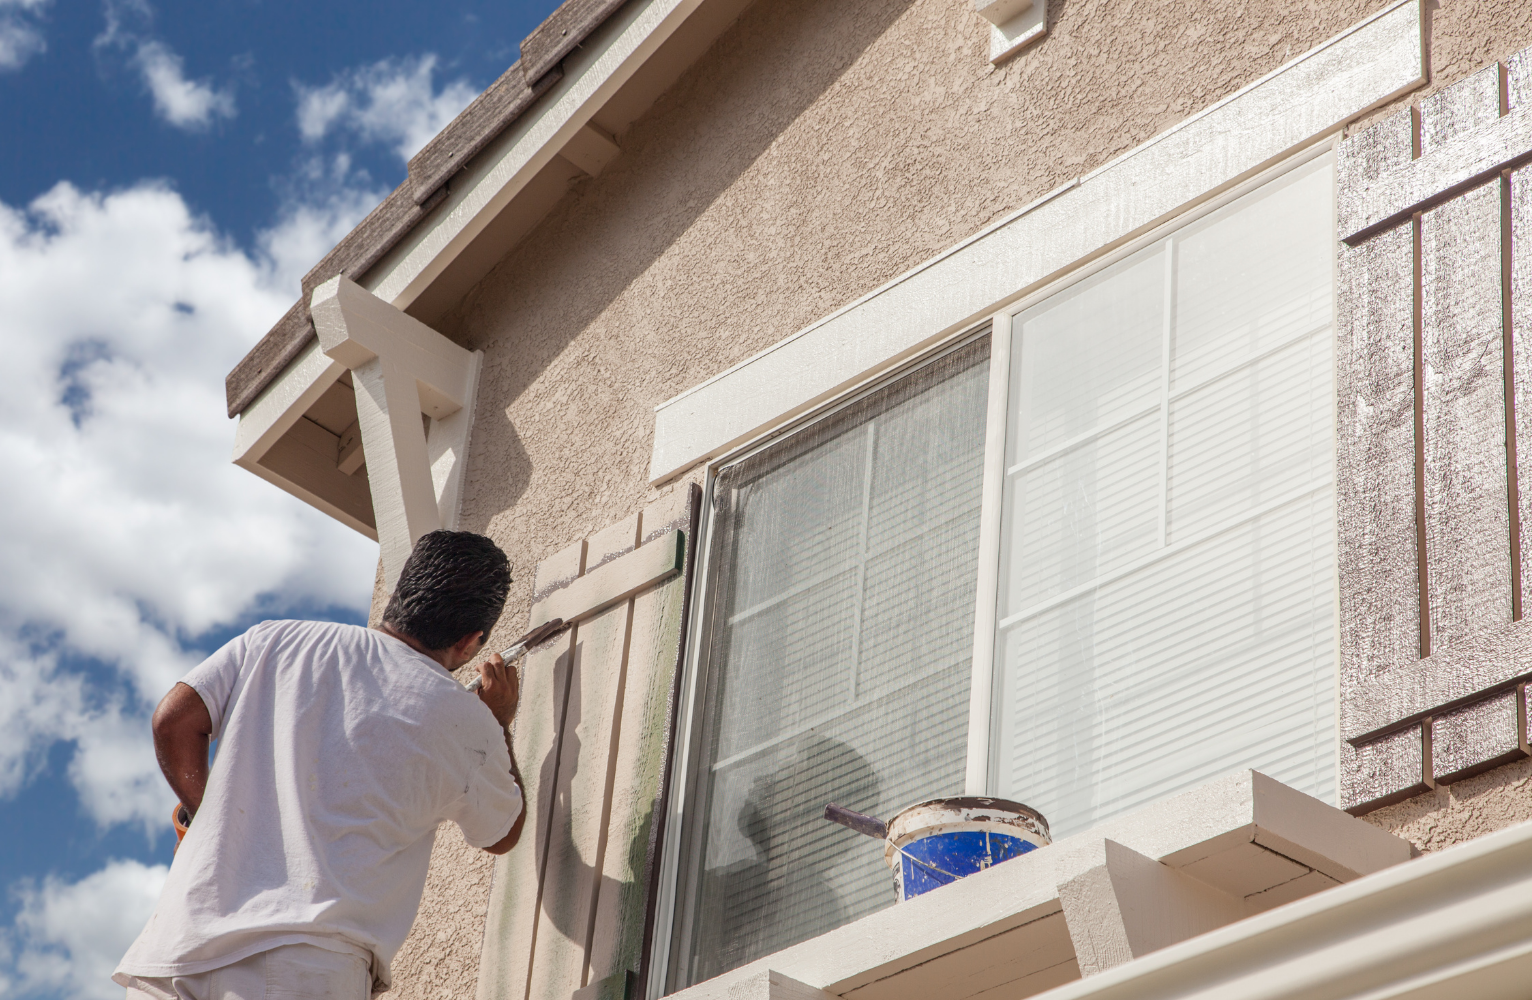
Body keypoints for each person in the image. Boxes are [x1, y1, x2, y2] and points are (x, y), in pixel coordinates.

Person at [113, 530, 555, 999]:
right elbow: (501, 832)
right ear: (471, 642)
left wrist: (210, 817)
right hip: (303, 966)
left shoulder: (276, 639)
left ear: (399, 596)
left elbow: (173, 721)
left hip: (177, 949)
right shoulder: (464, 719)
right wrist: (497, 722)